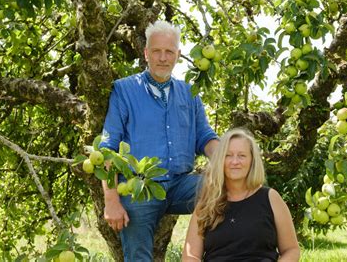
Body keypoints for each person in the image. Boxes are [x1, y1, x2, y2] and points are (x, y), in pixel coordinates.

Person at [98, 20, 219, 261]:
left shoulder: (189, 92)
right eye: (157, 51)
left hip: (182, 184)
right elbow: (108, 149)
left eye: (169, 52)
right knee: (139, 257)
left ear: (178, 55)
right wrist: (111, 200)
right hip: (139, 189)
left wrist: (228, 160)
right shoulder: (124, 90)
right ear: (146, 53)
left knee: (229, 191)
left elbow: (205, 137)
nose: (163, 58)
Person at [182, 128, 300, 261]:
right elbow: (190, 256)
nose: (235, 162)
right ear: (220, 160)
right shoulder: (207, 203)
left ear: (252, 161)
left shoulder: (271, 198)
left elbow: (292, 250)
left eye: (242, 155)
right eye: (228, 155)